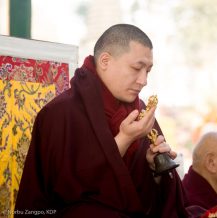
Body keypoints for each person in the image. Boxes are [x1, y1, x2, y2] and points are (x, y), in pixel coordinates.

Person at [15, 24, 188, 217]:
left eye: (148, 71)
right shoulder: (60, 114)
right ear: (105, 61)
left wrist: (155, 172)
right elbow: (65, 194)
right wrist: (123, 140)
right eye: (137, 68)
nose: (144, 80)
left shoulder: (142, 113)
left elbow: (152, 202)